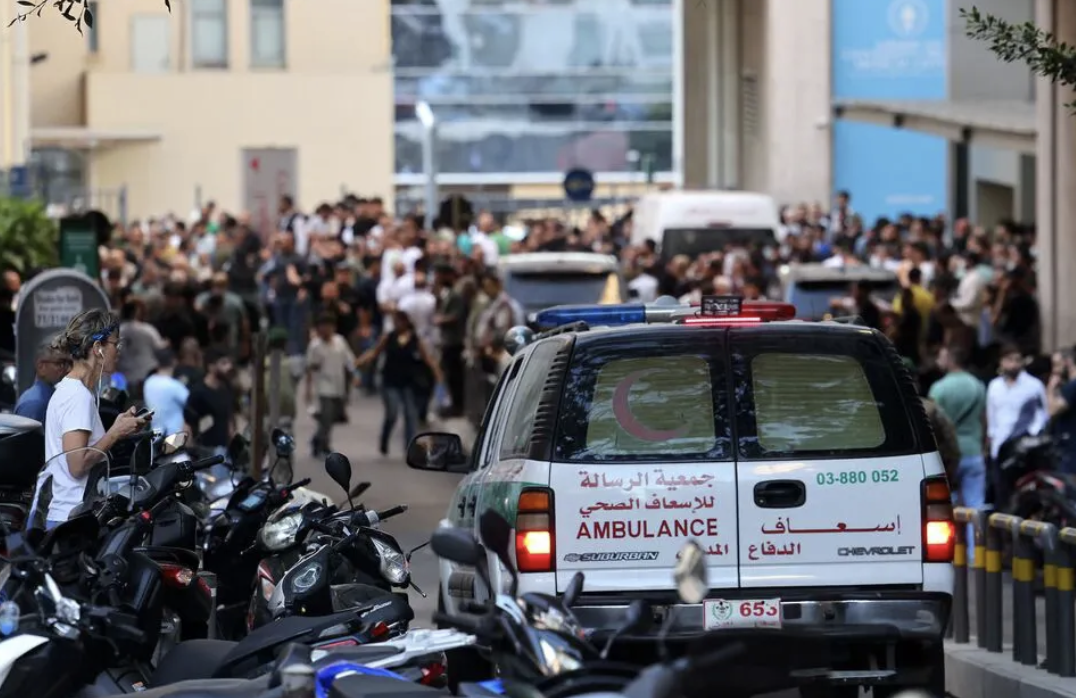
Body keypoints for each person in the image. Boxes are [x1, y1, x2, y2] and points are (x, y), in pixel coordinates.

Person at [31, 310, 148, 530]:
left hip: (70, 516)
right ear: (97, 348)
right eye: (115, 343)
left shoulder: (75, 391)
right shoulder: (78, 396)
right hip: (72, 520)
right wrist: (115, 432)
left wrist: (119, 428)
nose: (118, 350)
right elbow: (77, 464)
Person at [356, 310, 444, 457]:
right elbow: (375, 351)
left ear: (405, 322)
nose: (396, 324)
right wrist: (360, 361)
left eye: (398, 321)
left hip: (408, 382)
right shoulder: (389, 337)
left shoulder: (414, 339)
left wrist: (438, 373)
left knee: (410, 414)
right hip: (390, 381)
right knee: (392, 412)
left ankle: (409, 446)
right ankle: (384, 439)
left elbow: (427, 358)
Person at [928, 346, 987, 552]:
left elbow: (934, 424)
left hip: (948, 457)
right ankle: (975, 555)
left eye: (941, 356)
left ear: (950, 359)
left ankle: (951, 553)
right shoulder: (978, 386)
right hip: (973, 450)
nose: (938, 360)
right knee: (975, 506)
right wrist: (983, 446)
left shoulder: (939, 388)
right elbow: (983, 419)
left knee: (946, 507)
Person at [305, 313, 355, 457]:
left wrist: (354, 375)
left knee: (333, 416)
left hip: (338, 384)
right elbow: (310, 367)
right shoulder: (315, 346)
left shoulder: (340, 341)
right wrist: (308, 390)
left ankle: (317, 439)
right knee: (326, 416)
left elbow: (348, 360)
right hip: (323, 386)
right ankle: (323, 445)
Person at [186, 349, 236, 458]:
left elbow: (229, 419)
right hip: (205, 452)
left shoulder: (226, 389)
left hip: (225, 451)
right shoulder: (198, 392)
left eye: (229, 363)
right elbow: (188, 423)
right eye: (224, 363)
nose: (229, 367)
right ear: (211, 367)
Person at [14, 343, 71, 422]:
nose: (66, 369)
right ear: (41, 367)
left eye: (67, 364)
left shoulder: (46, 396)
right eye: (59, 363)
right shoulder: (35, 404)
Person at [143, 347, 190, 437]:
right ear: (174, 361)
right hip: (174, 438)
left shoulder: (148, 382)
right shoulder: (174, 386)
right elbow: (192, 403)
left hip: (155, 436)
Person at [1047, 348, 1076, 474]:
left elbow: (1052, 410)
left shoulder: (1072, 387)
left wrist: (1050, 388)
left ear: (1067, 362)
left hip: (1070, 452)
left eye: (1057, 365)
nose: (1054, 370)